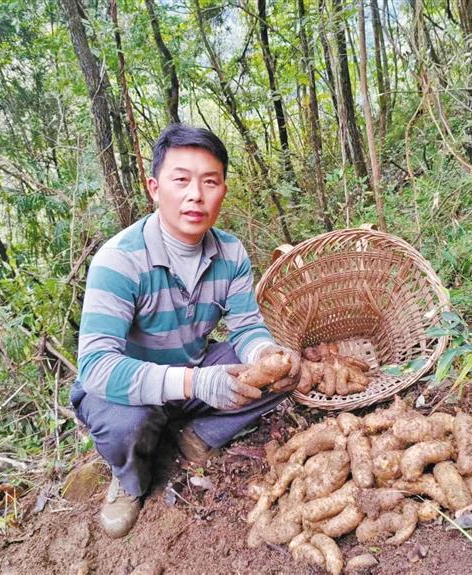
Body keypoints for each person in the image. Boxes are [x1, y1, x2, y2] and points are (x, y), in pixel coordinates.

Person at [69, 124, 301, 539]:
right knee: (127, 424)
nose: (196, 194)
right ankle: (129, 479)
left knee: (288, 368)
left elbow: (246, 326)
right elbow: (97, 368)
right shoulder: (119, 261)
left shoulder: (230, 252)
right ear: (155, 188)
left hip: (195, 371)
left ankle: (198, 436)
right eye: (181, 180)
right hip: (128, 390)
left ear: (222, 192)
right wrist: (196, 382)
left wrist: (265, 354)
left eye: (209, 182)